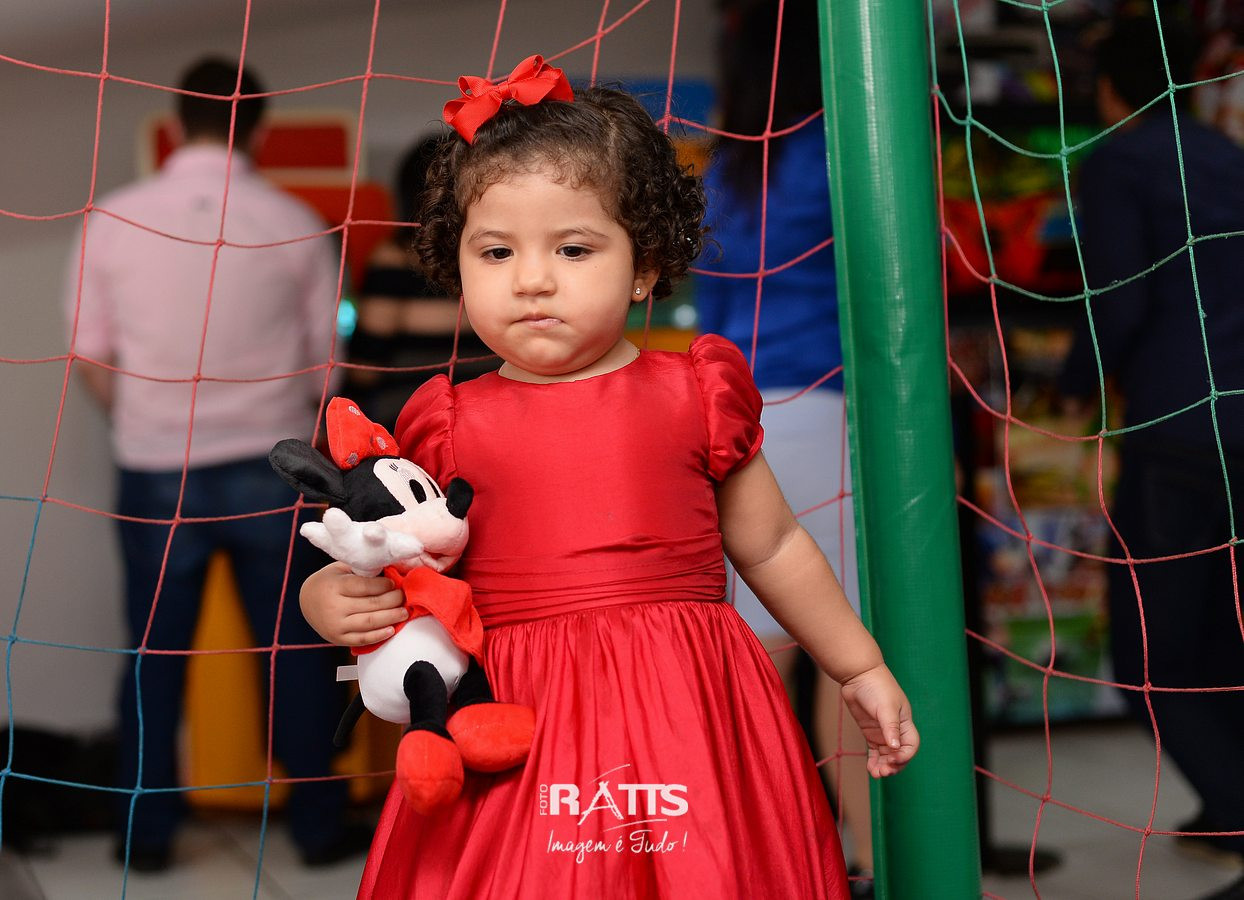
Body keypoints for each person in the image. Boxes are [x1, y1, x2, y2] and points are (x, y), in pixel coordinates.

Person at [298, 54, 918, 899]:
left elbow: (773, 545)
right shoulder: (443, 422)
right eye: (496, 251)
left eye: (574, 247)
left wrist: (858, 666)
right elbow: (396, 571)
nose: (532, 279)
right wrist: (329, 600)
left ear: (645, 264)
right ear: (456, 264)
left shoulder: (695, 393)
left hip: (686, 710)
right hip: (521, 725)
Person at [64, 57, 369, 871]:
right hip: (273, 468)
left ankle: (145, 837)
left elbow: (90, 355)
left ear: (176, 123)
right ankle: (317, 827)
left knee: (153, 656)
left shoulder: (112, 219)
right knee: (296, 650)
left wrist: (147, 422)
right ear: (259, 129)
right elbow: (328, 369)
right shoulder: (295, 221)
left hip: (156, 466)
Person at [1058, 14, 1244, 897]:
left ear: (1107, 90)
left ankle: (1236, 809)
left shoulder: (1122, 160)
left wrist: (1076, 385)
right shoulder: (1227, 155)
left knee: (1148, 652)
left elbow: (1120, 300)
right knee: (1222, 637)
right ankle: (1223, 809)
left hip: (1178, 427)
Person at [696, 0, 873, 890]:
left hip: (737, 417)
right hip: (824, 405)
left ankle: (763, 857)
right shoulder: (847, 147)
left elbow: (711, 315)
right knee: (843, 650)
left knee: (759, 652)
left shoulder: (731, 164)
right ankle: (865, 860)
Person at [345, 133, 497, 430]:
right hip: (490, 412)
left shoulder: (395, 257)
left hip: (411, 419)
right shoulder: (500, 253)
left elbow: (364, 367)